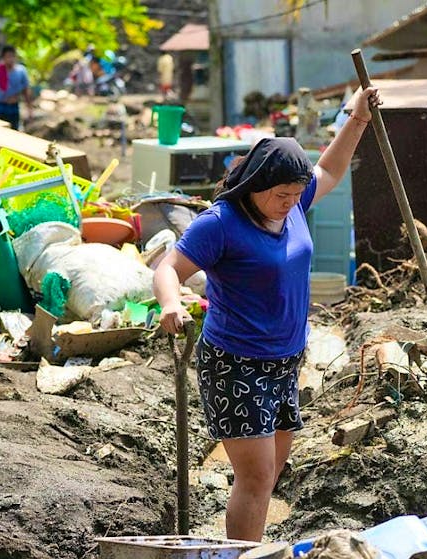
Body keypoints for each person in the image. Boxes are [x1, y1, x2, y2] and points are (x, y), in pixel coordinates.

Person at [153, 87, 380, 542]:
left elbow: (331, 168)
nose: (291, 202)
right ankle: (242, 554)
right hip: (237, 363)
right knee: (255, 479)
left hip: (284, 360)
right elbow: (168, 268)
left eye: (298, 194)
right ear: (256, 186)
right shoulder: (221, 224)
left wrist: (357, 119)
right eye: (281, 194)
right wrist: (171, 303)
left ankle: (244, 546)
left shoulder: (293, 204)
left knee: (270, 473)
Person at [0, 45, 32, 130]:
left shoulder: (21, 71)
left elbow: (26, 91)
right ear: (3, 58)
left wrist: (29, 108)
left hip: (14, 107)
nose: (10, 59)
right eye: (8, 56)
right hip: (1, 106)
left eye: (12, 56)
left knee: (14, 130)